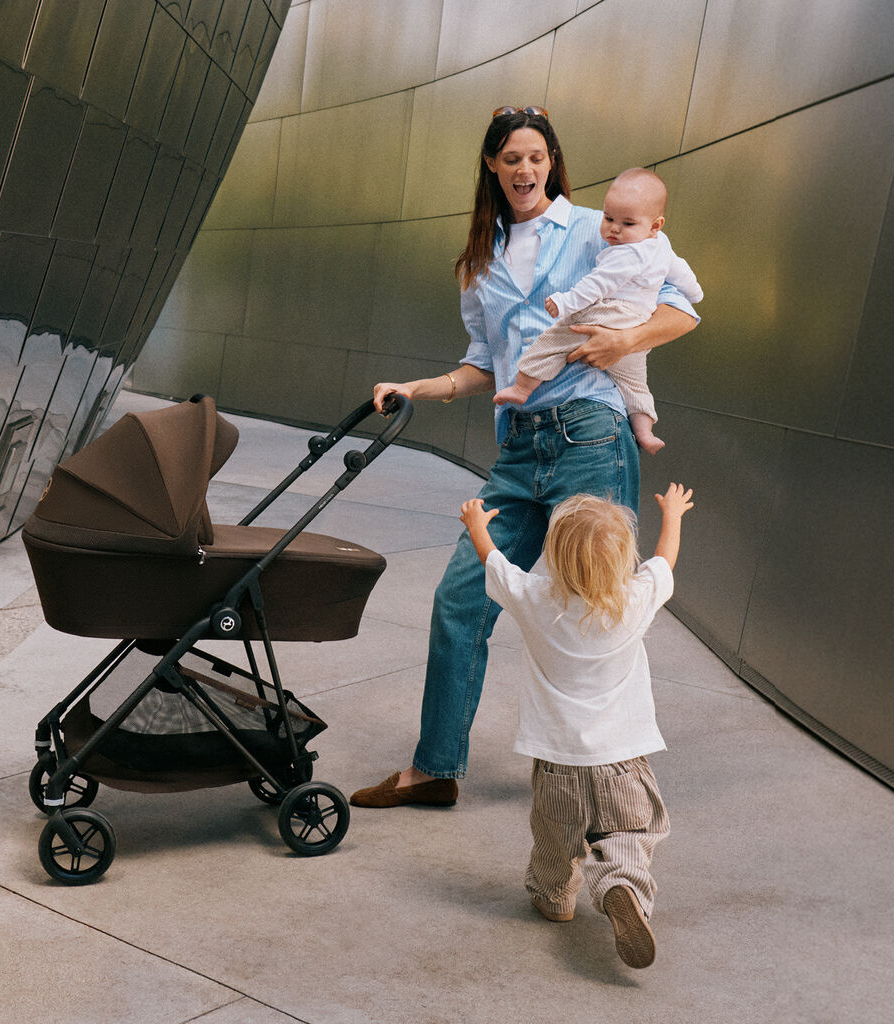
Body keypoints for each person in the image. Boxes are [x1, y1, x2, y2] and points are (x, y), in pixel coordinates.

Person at [356, 106, 700, 810]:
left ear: (552, 163)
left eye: (537, 157)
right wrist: (415, 386)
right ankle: (435, 768)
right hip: (519, 447)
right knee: (460, 596)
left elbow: (682, 309)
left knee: (602, 606)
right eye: (512, 157)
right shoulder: (477, 264)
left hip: (590, 433)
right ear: (491, 165)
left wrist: (617, 345)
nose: (525, 169)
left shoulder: (596, 226)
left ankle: (614, 790)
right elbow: (482, 365)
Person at [460, 483, 692, 968]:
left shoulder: (534, 598)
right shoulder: (635, 599)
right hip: (623, 763)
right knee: (628, 834)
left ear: (554, 556)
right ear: (622, 559)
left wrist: (478, 526)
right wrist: (673, 514)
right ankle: (621, 886)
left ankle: (554, 898)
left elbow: (493, 563)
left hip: (557, 766)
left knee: (555, 841)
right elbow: (665, 560)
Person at [491, 167, 703, 455]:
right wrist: (695, 293)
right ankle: (644, 430)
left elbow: (595, 286)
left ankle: (523, 387)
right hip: (640, 317)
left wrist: (565, 303)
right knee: (634, 381)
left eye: (627, 223)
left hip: (612, 312)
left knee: (554, 340)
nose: (614, 229)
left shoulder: (625, 254)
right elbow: (682, 274)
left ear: (655, 225)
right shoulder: (661, 245)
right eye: (608, 218)